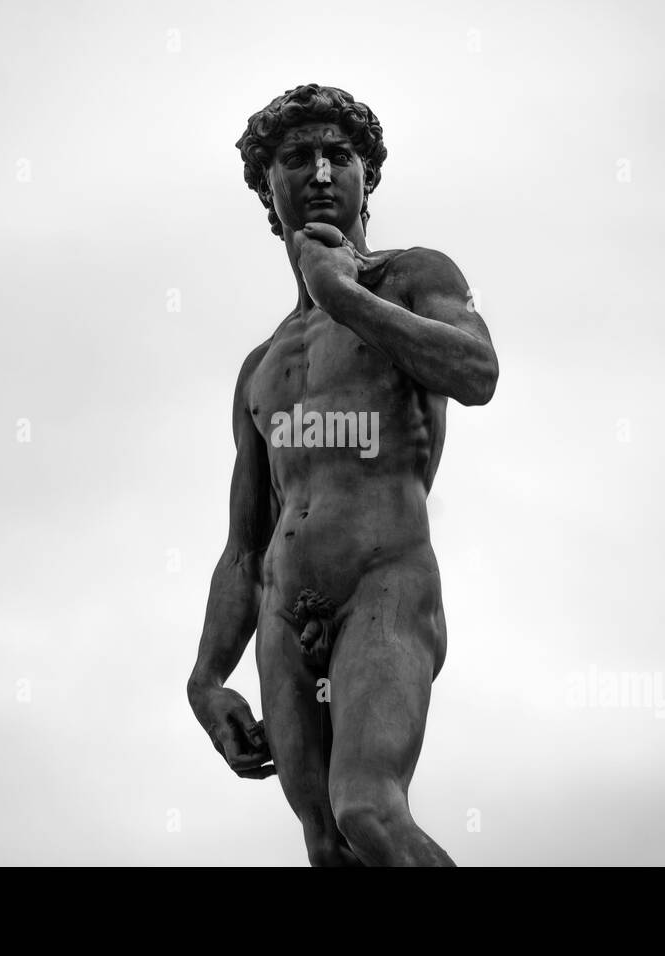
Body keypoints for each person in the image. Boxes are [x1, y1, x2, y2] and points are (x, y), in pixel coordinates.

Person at [186, 84, 498, 866]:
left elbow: (476, 370)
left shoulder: (410, 277)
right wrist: (206, 677)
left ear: (368, 178)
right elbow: (243, 545)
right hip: (285, 617)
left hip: (384, 587)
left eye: (341, 156)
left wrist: (341, 294)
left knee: (367, 809)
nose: (322, 171)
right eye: (298, 159)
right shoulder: (261, 368)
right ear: (270, 189)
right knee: (328, 847)